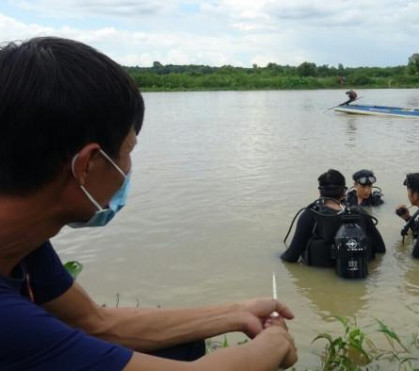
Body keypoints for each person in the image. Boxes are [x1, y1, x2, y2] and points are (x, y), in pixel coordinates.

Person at [0, 37, 296, 370]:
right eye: (127, 153)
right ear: (87, 166)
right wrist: (274, 345)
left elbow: (97, 323)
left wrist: (236, 313)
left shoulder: (21, 247)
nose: (127, 170)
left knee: (181, 345)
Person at [281, 169, 385, 266]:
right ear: (344, 192)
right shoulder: (361, 213)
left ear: (320, 192)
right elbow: (381, 249)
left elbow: (291, 257)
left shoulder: (310, 214)